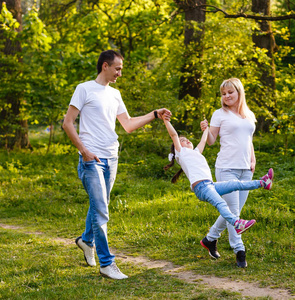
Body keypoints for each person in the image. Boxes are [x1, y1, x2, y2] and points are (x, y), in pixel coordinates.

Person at [62, 50, 171, 280]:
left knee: (99, 205)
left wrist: (155, 114)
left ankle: (86, 240)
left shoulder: (115, 94)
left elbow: (128, 125)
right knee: (101, 209)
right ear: (105, 66)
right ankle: (107, 263)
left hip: (112, 157)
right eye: (117, 68)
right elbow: (68, 123)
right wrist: (84, 151)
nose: (120, 73)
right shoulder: (84, 89)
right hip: (92, 159)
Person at [162, 114, 273, 238]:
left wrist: (206, 129)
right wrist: (166, 121)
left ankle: (264, 183)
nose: (187, 140)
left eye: (187, 139)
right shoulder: (181, 154)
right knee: (221, 204)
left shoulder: (196, 153)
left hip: (210, 185)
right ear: (177, 148)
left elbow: (203, 141)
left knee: (235, 184)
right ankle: (237, 224)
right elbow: (174, 135)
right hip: (201, 187)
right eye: (182, 140)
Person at [199, 78, 259, 268]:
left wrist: (252, 159)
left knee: (233, 212)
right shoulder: (219, 114)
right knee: (234, 212)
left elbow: (248, 140)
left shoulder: (248, 115)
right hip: (226, 168)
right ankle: (239, 251)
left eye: (230, 92)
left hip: (245, 169)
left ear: (239, 92)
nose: (226, 96)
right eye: (223, 94)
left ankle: (210, 239)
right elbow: (211, 141)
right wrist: (206, 130)